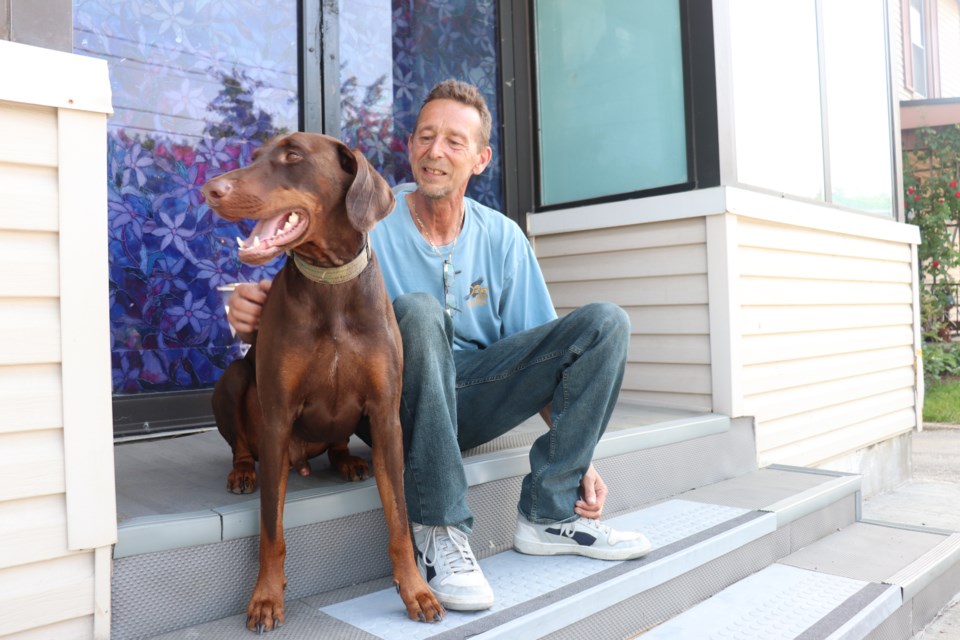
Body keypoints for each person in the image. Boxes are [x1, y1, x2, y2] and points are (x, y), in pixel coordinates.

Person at [227, 80, 651, 612]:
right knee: (418, 311)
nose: (436, 151)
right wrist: (253, 317)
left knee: (605, 323)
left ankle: (549, 514)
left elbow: (550, 362)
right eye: (426, 137)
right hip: (394, 402)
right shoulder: (365, 218)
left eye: (454, 141)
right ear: (410, 148)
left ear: (480, 159)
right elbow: (303, 283)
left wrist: (577, 451)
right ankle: (439, 530)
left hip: (474, 393)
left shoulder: (504, 238)